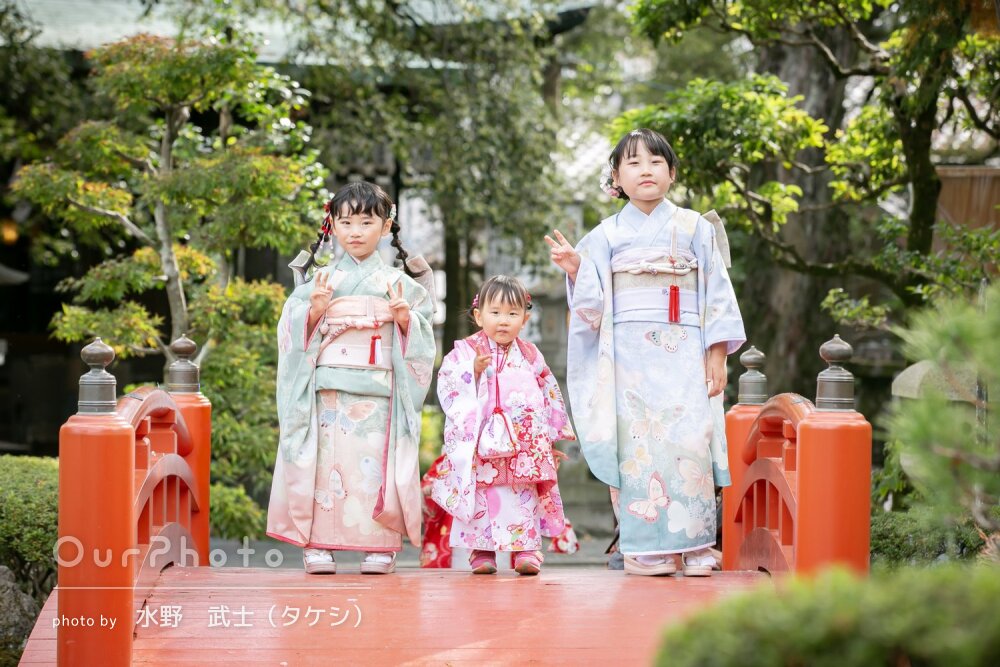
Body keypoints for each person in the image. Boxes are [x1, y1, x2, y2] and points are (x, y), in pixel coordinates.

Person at [546, 128, 745, 576]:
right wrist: (578, 271)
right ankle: (645, 548)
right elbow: (591, 309)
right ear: (616, 177)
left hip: (686, 351)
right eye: (633, 163)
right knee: (637, 445)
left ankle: (695, 545)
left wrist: (718, 354)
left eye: (656, 162)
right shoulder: (603, 236)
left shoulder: (697, 227)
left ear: (672, 173)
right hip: (628, 360)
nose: (646, 170)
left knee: (692, 437)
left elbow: (717, 292)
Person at [267, 181, 437, 575]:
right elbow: (291, 335)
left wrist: (407, 320)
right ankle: (317, 544)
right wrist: (312, 313)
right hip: (328, 394)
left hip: (380, 395)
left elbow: (423, 338)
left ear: (386, 226)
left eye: (366, 222)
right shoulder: (319, 283)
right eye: (346, 222)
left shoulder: (401, 285)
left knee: (372, 469)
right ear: (333, 226)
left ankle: (379, 545)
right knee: (327, 467)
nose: (356, 232)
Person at [431, 275, 576, 575]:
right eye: (495, 312)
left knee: (522, 494)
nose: (503, 321)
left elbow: (549, 393)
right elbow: (447, 381)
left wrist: (549, 439)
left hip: (524, 443)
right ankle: (481, 551)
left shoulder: (531, 355)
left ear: (525, 317)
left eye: (512, 313)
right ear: (478, 315)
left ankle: (526, 549)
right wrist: (470, 370)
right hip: (482, 440)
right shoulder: (466, 350)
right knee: (484, 494)